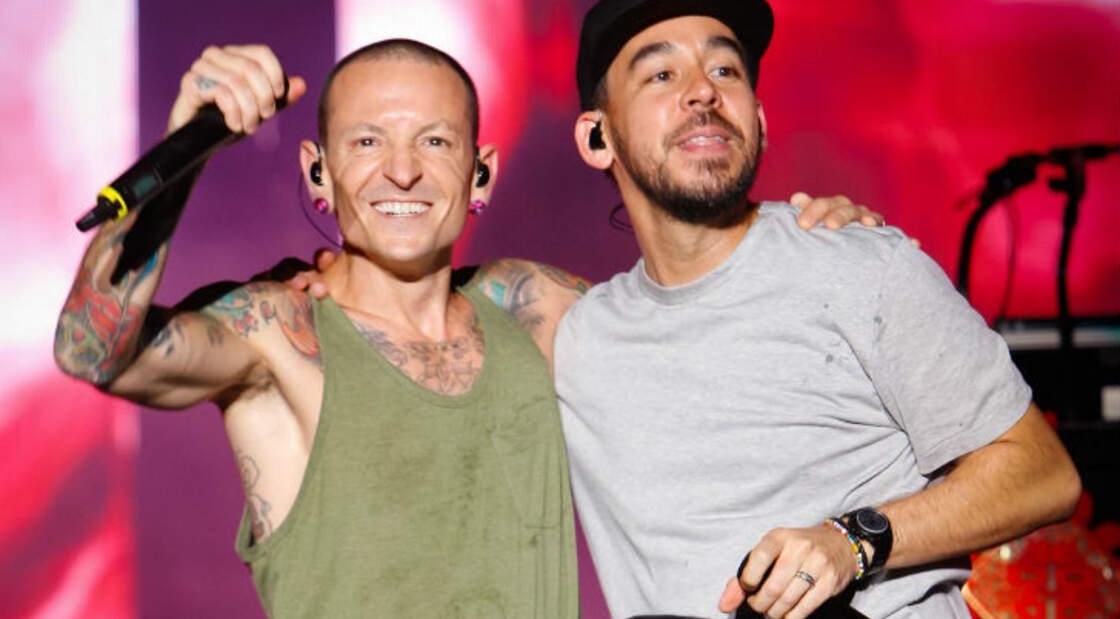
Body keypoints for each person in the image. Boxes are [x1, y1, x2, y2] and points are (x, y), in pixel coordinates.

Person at [53, 37, 877, 616]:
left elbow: (710, 333)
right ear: (319, 174)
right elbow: (91, 349)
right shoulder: (277, 329)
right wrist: (184, 146)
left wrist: (801, 236)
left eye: (435, 141)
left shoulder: (532, 305)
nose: (402, 170)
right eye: (367, 141)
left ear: (479, 174)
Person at [547, 0, 1081, 619]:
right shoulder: (581, 339)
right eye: (661, 74)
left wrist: (853, 540)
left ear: (759, 120)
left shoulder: (859, 267)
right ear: (597, 136)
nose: (703, 91)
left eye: (725, 71)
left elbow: (1044, 473)